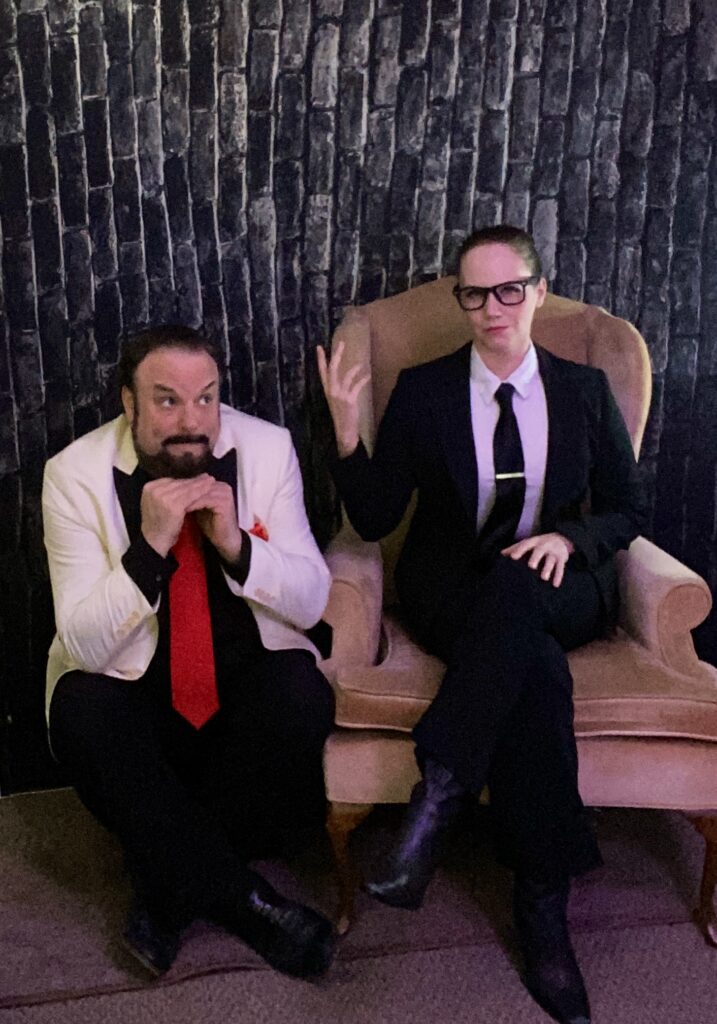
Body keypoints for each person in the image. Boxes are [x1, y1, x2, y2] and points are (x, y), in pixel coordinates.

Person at [318, 225, 646, 1024]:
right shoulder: (425, 390)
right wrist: (347, 432)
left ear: (537, 292)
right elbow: (375, 517)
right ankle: (542, 910)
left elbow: (627, 508)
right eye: (474, 293)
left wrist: (569, 540)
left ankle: (439, 795)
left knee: (521, 598)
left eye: (508, 290)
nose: (492, 308)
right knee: (534, 670)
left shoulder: (581, 389)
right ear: (460, 301)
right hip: (453, 590)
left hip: (560, 581)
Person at [43, 325, 336, 979]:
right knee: (80, 705)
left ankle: (166, 878)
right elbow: (84, 641)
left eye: (205, 398)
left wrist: (237, 546)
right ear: (129, 402)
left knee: (301, 690)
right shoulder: (72, 475)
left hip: (239, 706)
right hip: (138, 703)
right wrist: (148, 549)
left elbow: (312, 599)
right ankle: (247, 900)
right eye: (167, 400)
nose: (192, 421)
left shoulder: (266, 449)